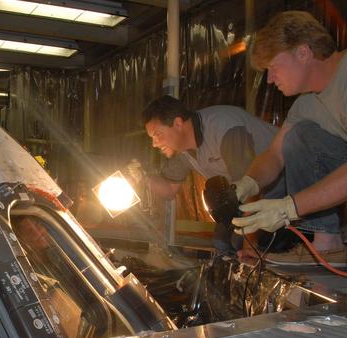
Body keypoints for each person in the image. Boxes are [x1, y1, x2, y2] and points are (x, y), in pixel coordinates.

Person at [231, 11, 347, 265]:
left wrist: (289, 209)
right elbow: (275, 154)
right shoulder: (306, 104)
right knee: (298, 136)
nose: (270, 80)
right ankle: (327, 243)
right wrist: (249, 182)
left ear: (303, 53)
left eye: (273, 67)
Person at [133, 95, 281, 253]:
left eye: (157, 134)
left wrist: (250, 246)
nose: (154, 143)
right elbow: (169, 189)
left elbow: (251, 185)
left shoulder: (224, 128)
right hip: (248, 193)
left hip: (282, 185)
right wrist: (141, 177)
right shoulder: (182, 149)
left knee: (241, 243)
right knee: (221, 242)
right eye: (152, 138)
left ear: (177, 124)